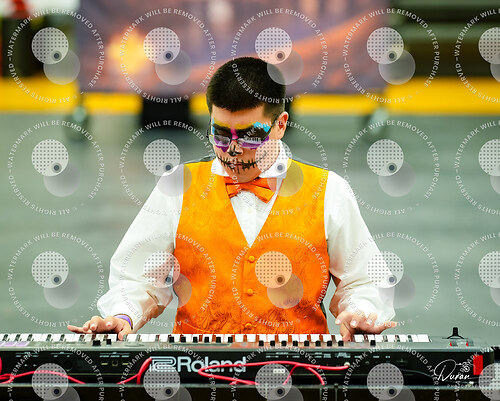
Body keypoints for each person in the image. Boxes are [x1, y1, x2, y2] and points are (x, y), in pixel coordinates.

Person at [68, 57, 396, 341]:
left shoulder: (329, 191)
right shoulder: (177, 185)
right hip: (197, 372)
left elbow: (363, 280)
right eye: (221, 134)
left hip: (302, 370)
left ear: (280, 125)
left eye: (251, 135)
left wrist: (360, 312)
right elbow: (137, 277)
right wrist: (123, 315)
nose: (233, 151)